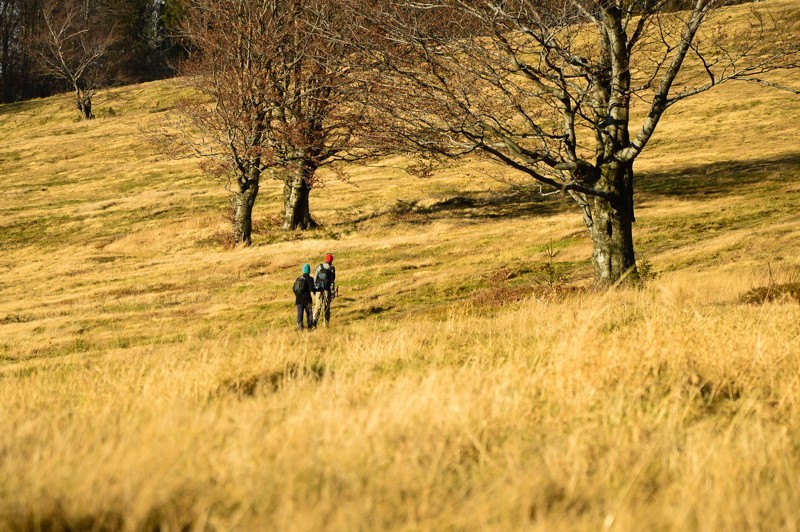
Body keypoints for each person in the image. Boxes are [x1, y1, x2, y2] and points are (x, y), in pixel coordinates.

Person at [313, 253, 336, 327]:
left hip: (319, 290)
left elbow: (315, 278)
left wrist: (315, 288)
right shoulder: (332, 268)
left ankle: (314, 324)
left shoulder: (320, 267)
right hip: (327, 290)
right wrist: (332, 291)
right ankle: (325, 325)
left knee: (317, 306)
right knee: (326, 307)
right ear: (331, 260)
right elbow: (332, 281)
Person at [293, 264, 316, 330]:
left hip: (298, 300)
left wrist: (297, 295)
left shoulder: (298, 278)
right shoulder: (311, 279)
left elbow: (294, 288)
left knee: (300, 313)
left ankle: (300, 327)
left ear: (303, 270)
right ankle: (310, 326)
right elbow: (312, 288)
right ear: (309, 270)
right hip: (307, 299)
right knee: (309, 313)